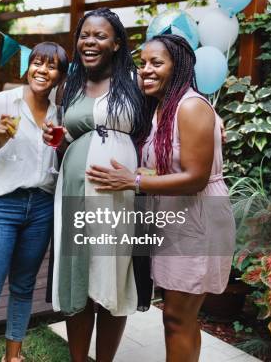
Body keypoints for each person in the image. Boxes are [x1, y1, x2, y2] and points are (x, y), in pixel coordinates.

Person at [85, 34, 235, 361]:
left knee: (176, 317)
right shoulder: (162, 109)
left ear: (178, 66)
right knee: (180, 317)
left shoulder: (191, 106)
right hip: (176, 218)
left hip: (197, 218)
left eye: (157, 63)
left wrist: (134, 180)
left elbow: (195, 177)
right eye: (143, 63)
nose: (145, 70)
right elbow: (168, 169)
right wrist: (129, 175)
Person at [43, 8, 150, 362]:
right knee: (77, 276)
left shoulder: (134, 81)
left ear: (117, 43)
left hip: (116, 196)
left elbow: (171, 112)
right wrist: (55, 139)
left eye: (100, 35)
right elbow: (66, 139)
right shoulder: (69, 86)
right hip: (73, 192)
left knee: (111, 277)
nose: (90, 41)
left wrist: (213, 119)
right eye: (84, 35)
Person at [0, 42, 69, 362]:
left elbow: (58, 162)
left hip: (41, 207)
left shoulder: (60, 113)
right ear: (28, 66)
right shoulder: (2, 102)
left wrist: (58, 146)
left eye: (52, 66)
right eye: (37, 63)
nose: (43, 70)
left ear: (59, 75)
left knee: (23, 287)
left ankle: (13, 357)